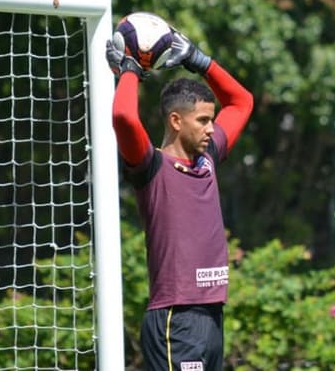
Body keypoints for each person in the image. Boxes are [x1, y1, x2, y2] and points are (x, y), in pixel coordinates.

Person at [106, 25, 254, 370]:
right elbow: (123, 117)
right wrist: (130, 70)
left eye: (212, 121)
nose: (210, 128)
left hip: (212, 315)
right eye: (202, 121)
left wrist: (198, 60)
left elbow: (242, 101)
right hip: (177, 319)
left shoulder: (209, 158)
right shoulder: (151, 166)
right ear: (175, 120)